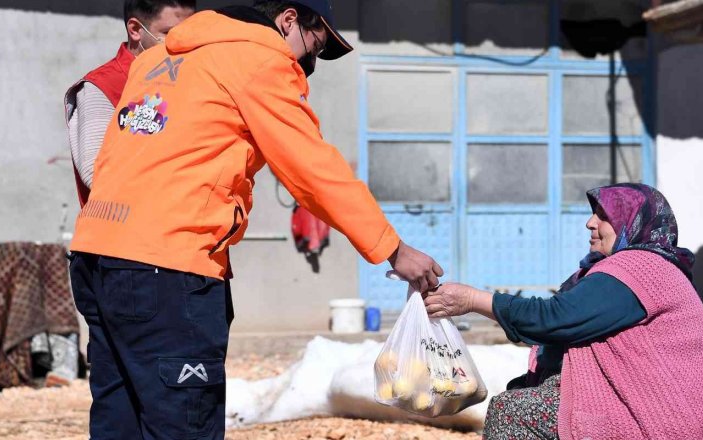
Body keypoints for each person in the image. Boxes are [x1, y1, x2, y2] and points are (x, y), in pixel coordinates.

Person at [67, 1, 444, 438]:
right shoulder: (258, 59)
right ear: (287, 20)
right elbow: (313, 170)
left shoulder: (154, 60)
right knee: (182, 423)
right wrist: (393, 249)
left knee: (119, 422)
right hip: (167, 269)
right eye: (312, 48)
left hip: (97, 256)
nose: (307, 66)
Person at [424, 183, 703, 439]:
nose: (590, 223)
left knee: (512, 412)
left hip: (661, 416)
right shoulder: (630, 270)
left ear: (633, 224)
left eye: (603, 216)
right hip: (638, 404)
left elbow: (555, 319)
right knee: (522, 390)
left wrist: (472, 300)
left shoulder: (642, 268)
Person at [64, 0, 195, 207]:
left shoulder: (193, 80)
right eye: (169, 32)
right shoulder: (102, 85)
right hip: (120, 233)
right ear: (135, 30)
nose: (183, 42)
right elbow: (96, 174)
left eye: (190, 32)